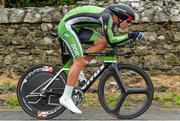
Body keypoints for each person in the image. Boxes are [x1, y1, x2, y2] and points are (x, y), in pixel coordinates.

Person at [58, 3, 142, 114]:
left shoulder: (109, 18)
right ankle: (66, 97)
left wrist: (129, 38)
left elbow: (108, 40)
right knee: (79, 62)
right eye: (128, 21)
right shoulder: (107, 17)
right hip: (67, 27)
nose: (128, 25)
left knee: (102, 42)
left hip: (76, 27)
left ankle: (78, 67)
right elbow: (112, 40)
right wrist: (130, 36)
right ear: (121, 17)